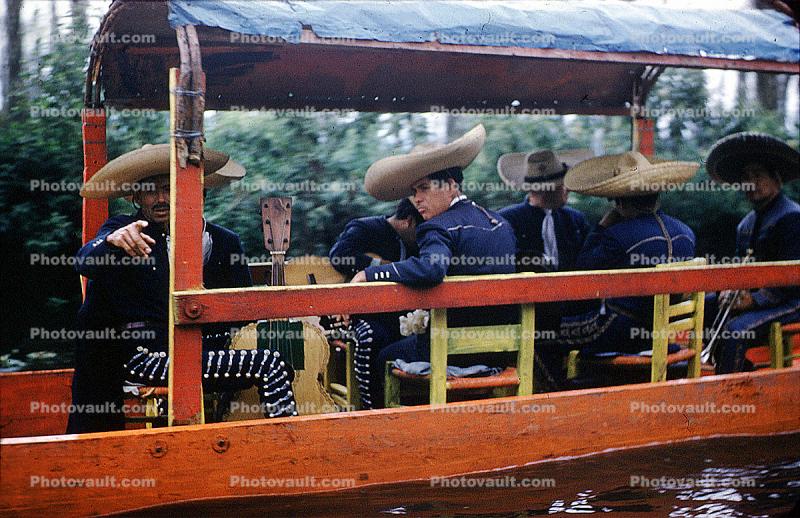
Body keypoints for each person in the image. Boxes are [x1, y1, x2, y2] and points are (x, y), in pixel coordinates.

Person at [67, 144, 297, 433]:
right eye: (151, 191)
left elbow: (244, 310)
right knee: (270, 363)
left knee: (274, 361)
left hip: (204, 350)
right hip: (144, 356)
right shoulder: (125, 228)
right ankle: (292, 446)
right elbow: (85, 261)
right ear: (136, 197)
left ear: (192, 192)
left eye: (170, 188)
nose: (162, 198)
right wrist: (114, 240)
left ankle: (282, 448)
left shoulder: (223, 241)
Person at [351, 124, 518, 407]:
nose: (416, 199)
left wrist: (369, 273)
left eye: (425, 188)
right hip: (500, 351)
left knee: (383, 356)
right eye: (415, 191)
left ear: (452, 185)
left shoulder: (437, 227)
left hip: (452, 351)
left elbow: (431, 268)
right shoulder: (501, 224)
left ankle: (382, 428)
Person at [538, 151, 700, 385]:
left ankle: (556, 398)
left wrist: (601, 226)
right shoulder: (686, 233)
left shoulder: (617, 235)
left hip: (621, 332)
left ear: (620, 201)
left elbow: (582, 274)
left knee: (539, 337)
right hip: (663, 333)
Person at [704, 132, 800, 374]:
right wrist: (729, 290)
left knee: (736, 329)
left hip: (792, 300)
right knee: (707, 307)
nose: (751, 182)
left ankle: (729, 390)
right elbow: (739, 268)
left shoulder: (792, 217)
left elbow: (791, 277)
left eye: (758, 175)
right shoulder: (746, 223)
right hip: (765, 298)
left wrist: (754, 300)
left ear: (776, 179)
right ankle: (730, 370)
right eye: (746, 178)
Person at [328, 198, 423, 408]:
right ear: (408, 220)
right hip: (361, 314)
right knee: (373, 336)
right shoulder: (366, 227)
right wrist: (380, 266)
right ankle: (371, 407)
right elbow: (338, 255)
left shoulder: (414, 244)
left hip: (398, 315)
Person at [497, 148, 592, 273]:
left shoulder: (575, 219)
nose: (568, 189)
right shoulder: (507, 220)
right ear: (546, 190)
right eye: (562, 185)